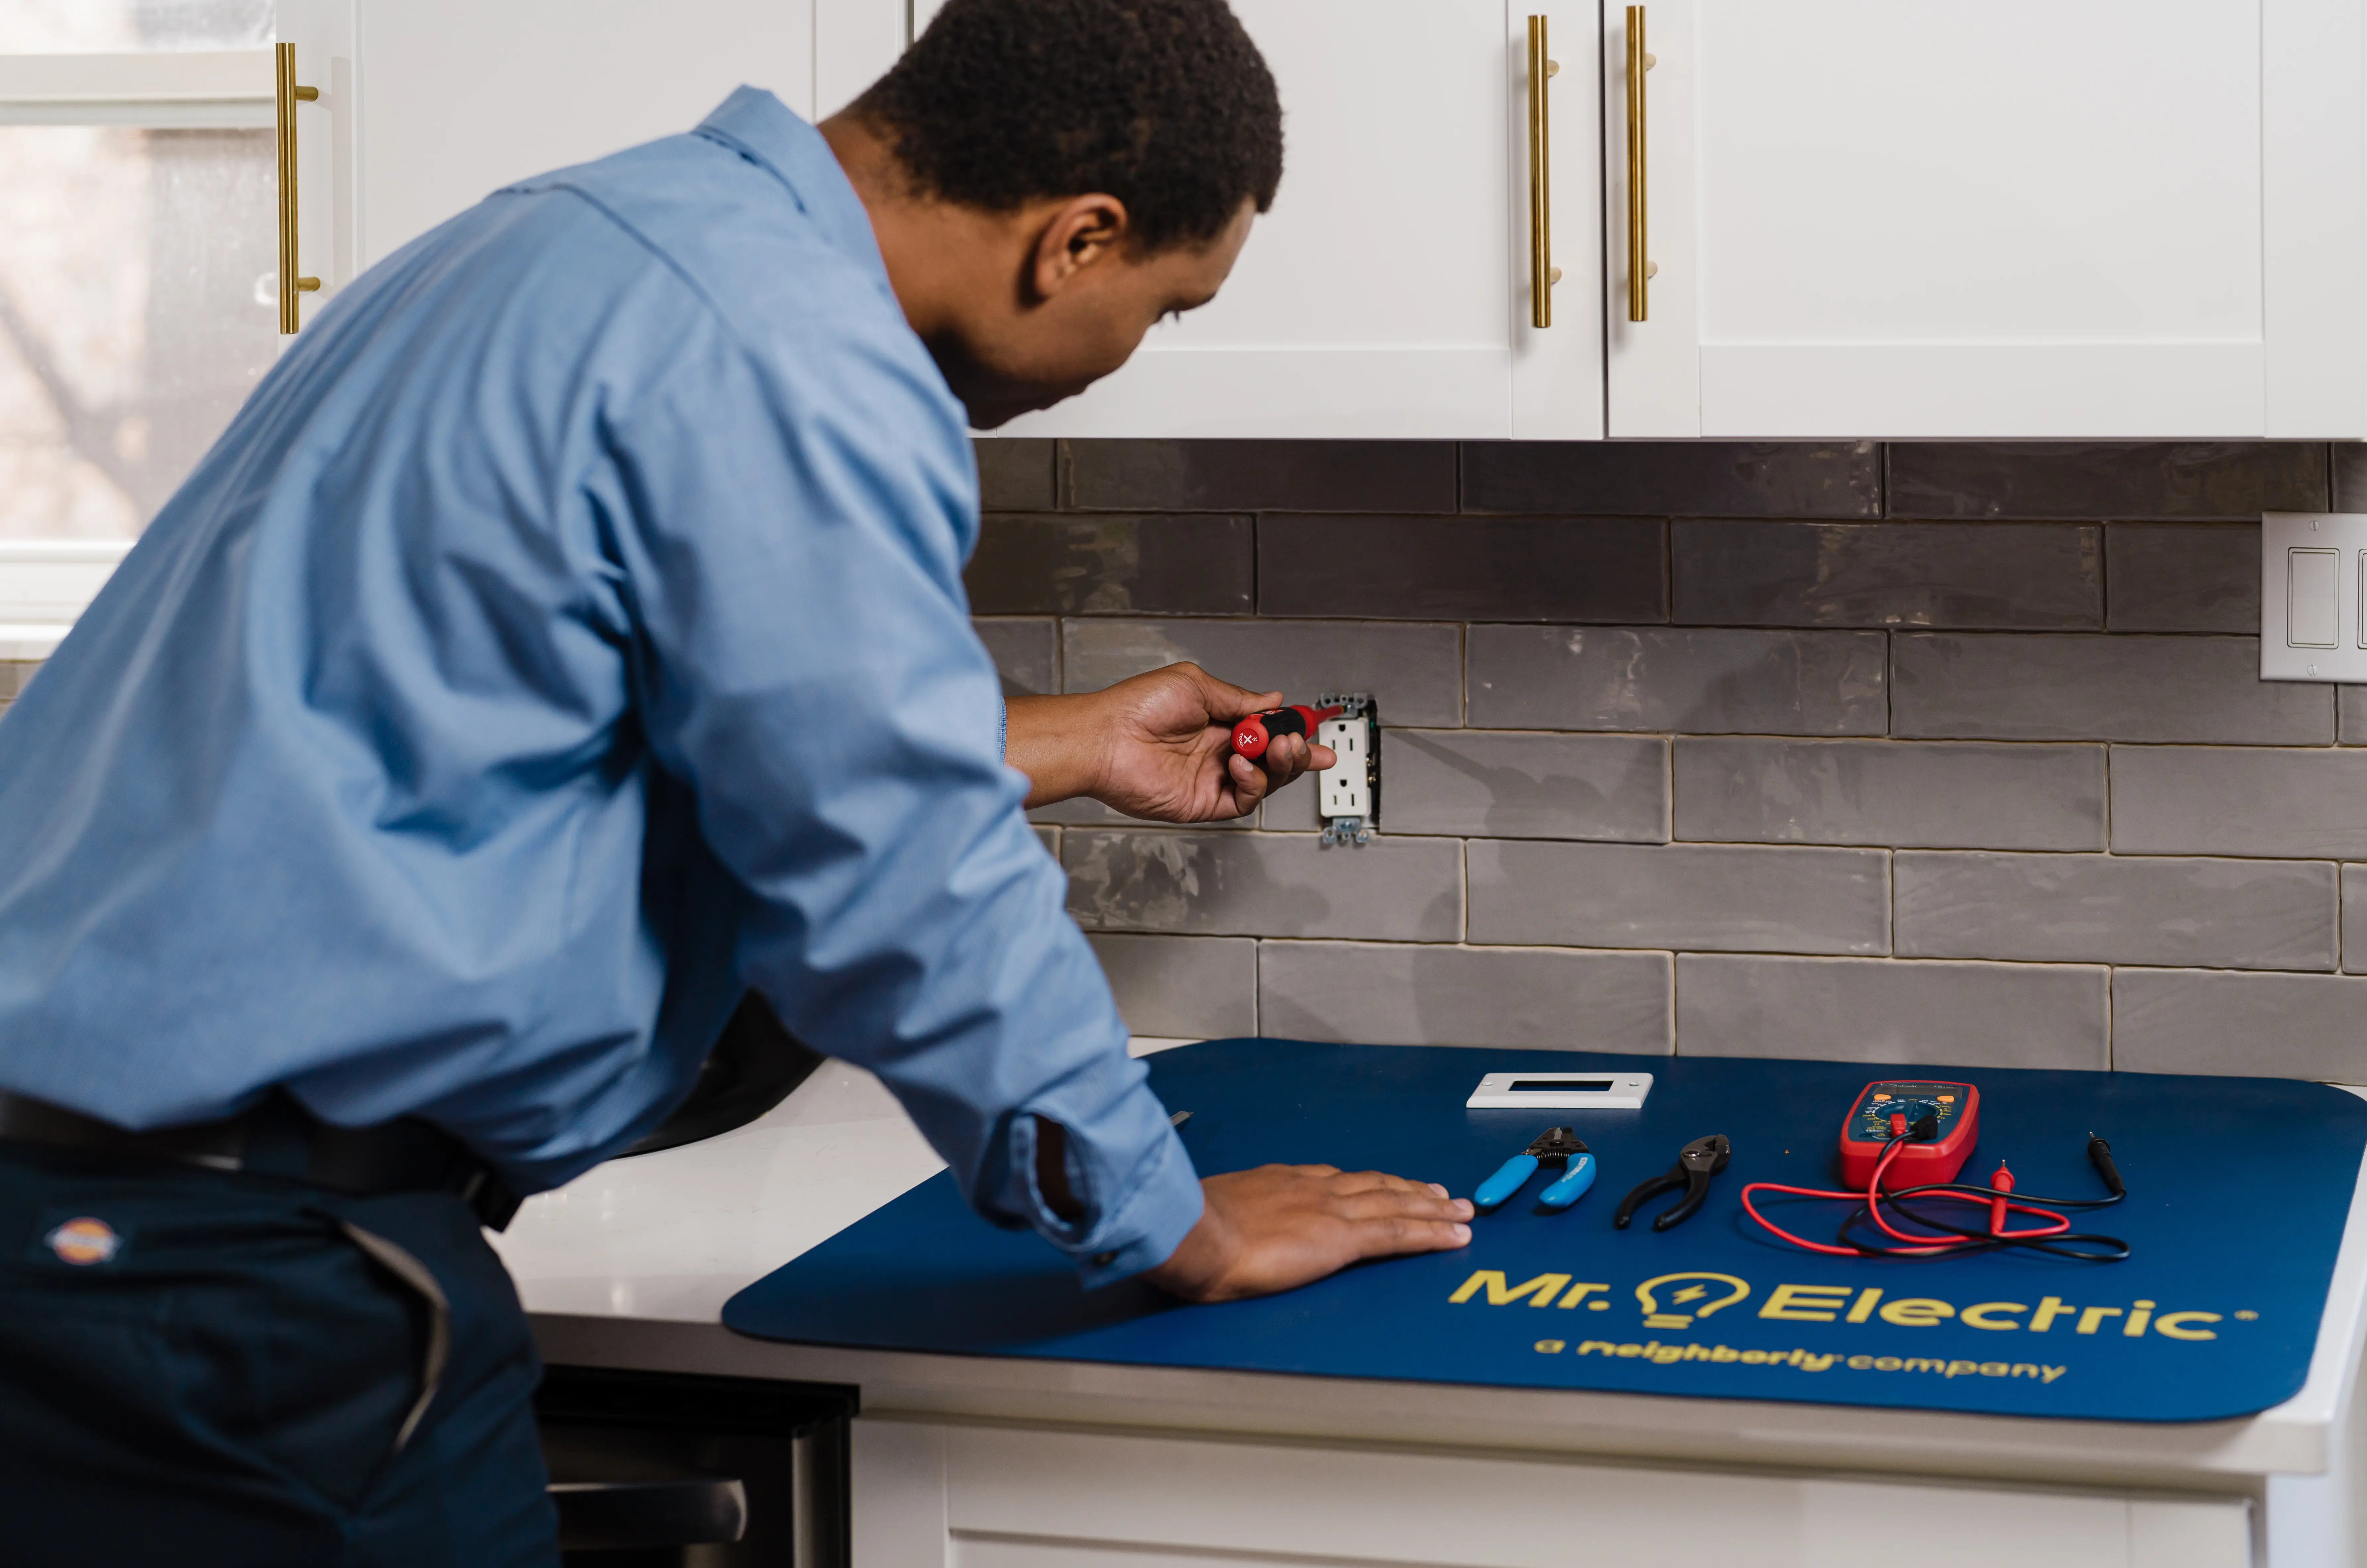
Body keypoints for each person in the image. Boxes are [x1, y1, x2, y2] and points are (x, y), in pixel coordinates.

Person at [0, 0, 1475, 1560]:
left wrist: (1070, 740)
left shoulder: (574, 237)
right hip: (231, 1280)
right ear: (1079, 243)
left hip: (85, 1219)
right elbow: (908, 903)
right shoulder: (796, 359)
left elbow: (661, 723)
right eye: (1168, 308)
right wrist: (1177, 1224)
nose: (1132, 357)